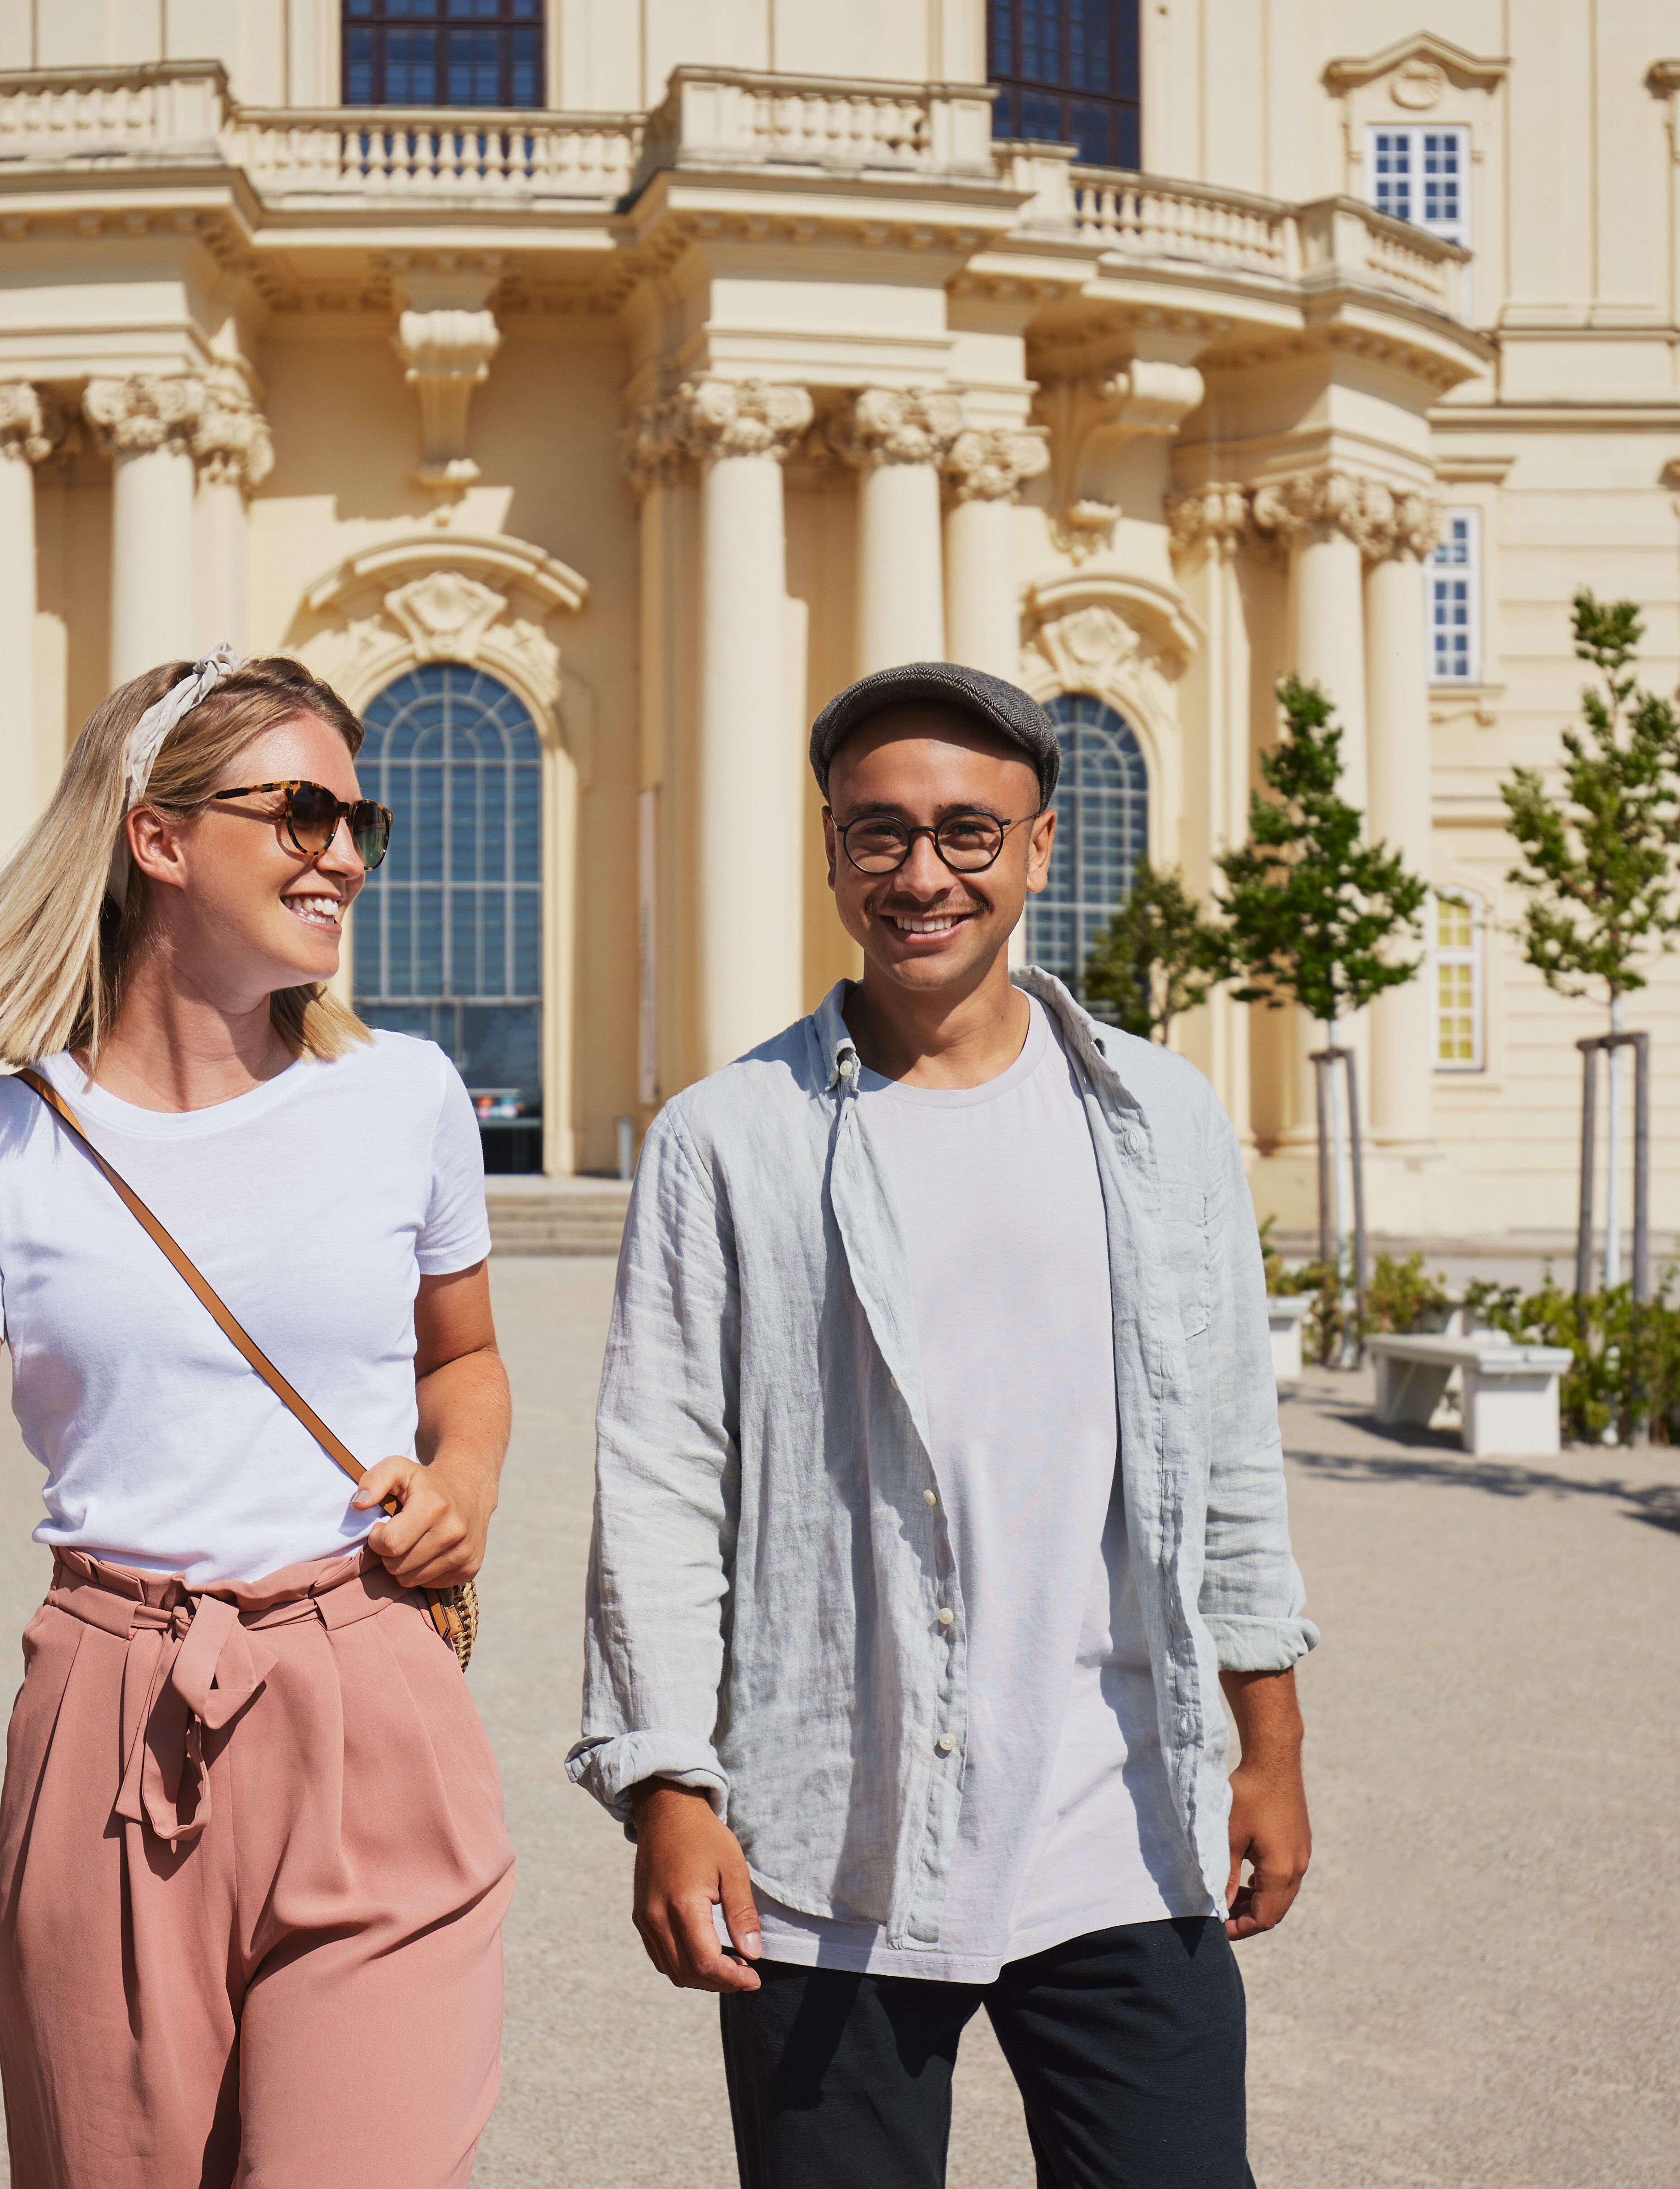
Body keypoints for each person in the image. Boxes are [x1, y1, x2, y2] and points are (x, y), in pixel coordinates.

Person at [574, 662, 1316, 2189]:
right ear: (832, 849)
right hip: (825, 1829)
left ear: (1040, 847)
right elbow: (659, 1482)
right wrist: (665, 1786)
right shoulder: (728, 1139)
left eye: (967, 834)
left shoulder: (1160, 1118)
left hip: (1121, 1826)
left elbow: (1229, 1447)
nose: (922, 874)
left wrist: (1272, 1748)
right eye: (879, 834)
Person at [0, 649, 515, 2189]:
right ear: (155, 833)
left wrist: (463, 1477)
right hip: (106, 1718)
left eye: (358, 819)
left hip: (369, 1695)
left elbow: (461, 1362)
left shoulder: (402, 1096)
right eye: (299, 811)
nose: (341, 849)